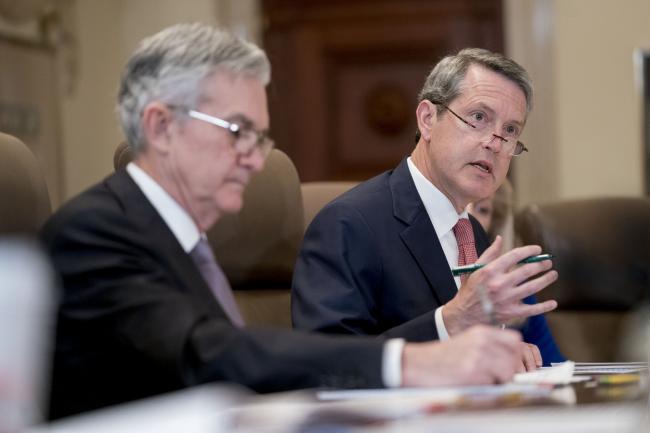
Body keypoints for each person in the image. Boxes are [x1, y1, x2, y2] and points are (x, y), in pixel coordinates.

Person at [40, 24, 526, 420]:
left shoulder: (181, 244)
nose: (256, 160)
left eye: (260, 136)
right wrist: (412, 359)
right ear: (162, 127)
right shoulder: (94, 233)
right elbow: (208, 354)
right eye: (238, 132)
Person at [292, 48, 565, 367]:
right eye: (478, 118)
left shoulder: (473, 233)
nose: (494, 143)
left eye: (510, 131)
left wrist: (500, 354)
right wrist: (448, 323)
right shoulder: (348, 225)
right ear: (427, 119)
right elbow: (324, 363)